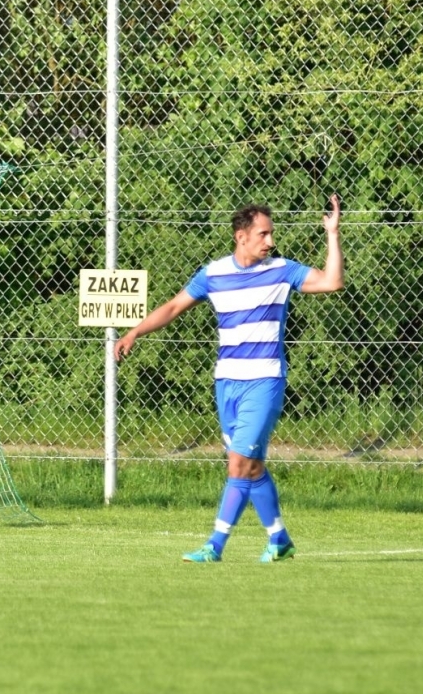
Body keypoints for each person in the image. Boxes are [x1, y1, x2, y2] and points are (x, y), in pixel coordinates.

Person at [115, 197, 344, 562]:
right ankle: (279, 538)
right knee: (251, 467)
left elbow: (332, 282)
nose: (270, 241)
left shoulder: (283, 270)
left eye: (271, 234)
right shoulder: (214, 273)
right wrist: (134, 333)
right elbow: (174, 306)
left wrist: (332, 234)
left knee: (237, 465)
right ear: (241, 236)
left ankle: (214, 546)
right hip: (226, 384)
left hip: (264, 382)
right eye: (263, 234)